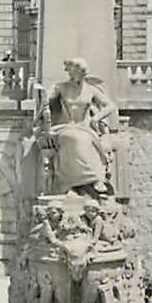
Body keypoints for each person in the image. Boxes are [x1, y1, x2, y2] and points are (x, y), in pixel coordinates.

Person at [41, 56, 119, 197]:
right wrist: (46, 95)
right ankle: (77, 181)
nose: (73, 77)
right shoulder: (62, 88)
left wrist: (96, 118)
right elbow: (46, 98)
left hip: (85, 128)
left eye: (77, 74)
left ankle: (93, 179)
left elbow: (110, 105)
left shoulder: (91, 90)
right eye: (71, 73)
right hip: (65, 127)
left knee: (83, 139)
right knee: (74, 138)